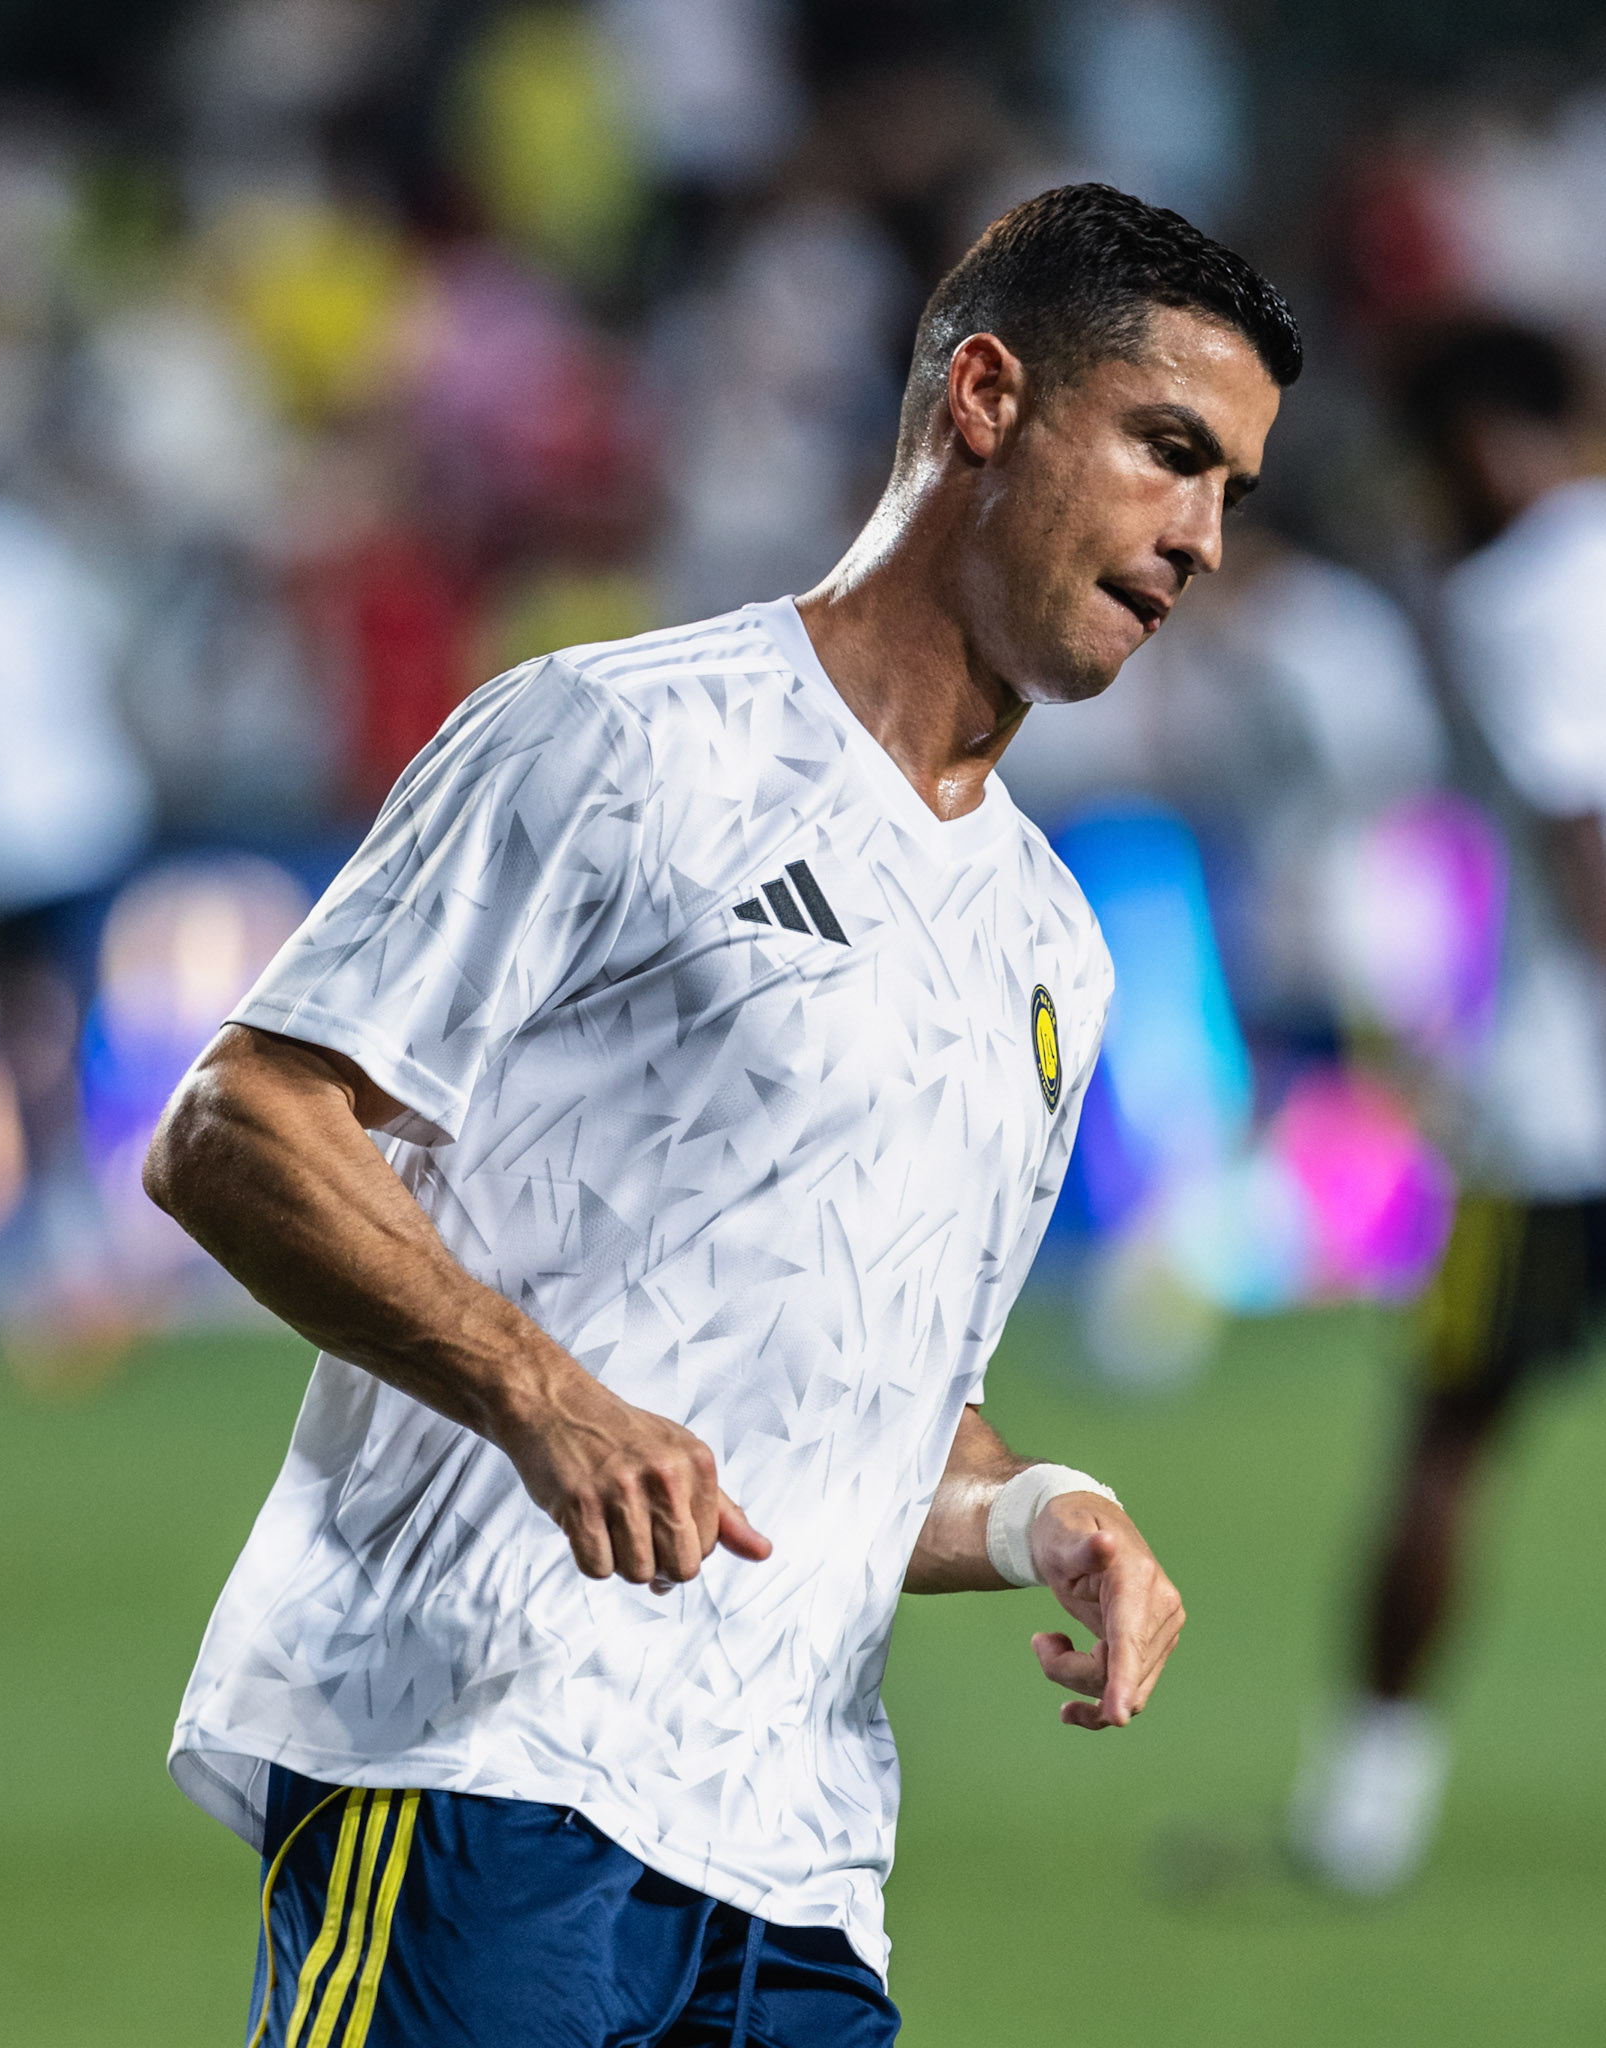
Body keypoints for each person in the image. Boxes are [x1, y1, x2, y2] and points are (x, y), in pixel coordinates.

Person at [147, 184, 1296, 2046]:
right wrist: (541, 1393)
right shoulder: (613, 741)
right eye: (1169, 453)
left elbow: (874, 1422)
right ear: (985, 397)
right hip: (475, 1767)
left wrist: (1044, 1518)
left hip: (797, 1871)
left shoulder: (1053, 950)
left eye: (1233, 489)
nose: (1204, 538)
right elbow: (237, 1122)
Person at [1291, 321, 1606, 1894]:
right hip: (1539, 1102)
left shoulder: (1520, 593)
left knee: (1450, 1439)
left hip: (1551, 1112)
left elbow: (1581, 840)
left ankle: (1366, 1799)